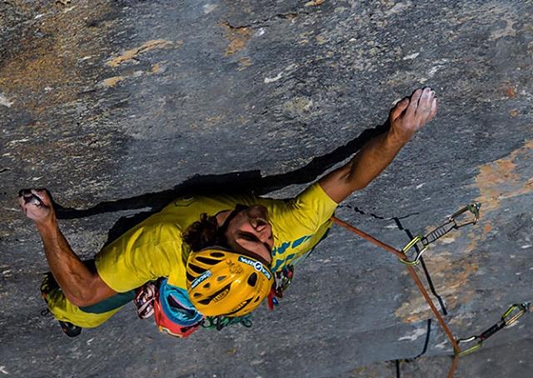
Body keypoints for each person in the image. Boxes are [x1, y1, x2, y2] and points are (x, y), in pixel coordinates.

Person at [19, 87, 437, 338]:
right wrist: (399, 134)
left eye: (250, 237)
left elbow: (85, 290)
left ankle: (87, 317)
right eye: (264, 244)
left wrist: (46, 224)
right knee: (309, 228)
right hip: (261, 265)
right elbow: (350, 178)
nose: (263, 229)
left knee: (81, 308)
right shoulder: (287, 228)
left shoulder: (162, 244)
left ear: (216, 238)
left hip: (182, 277)